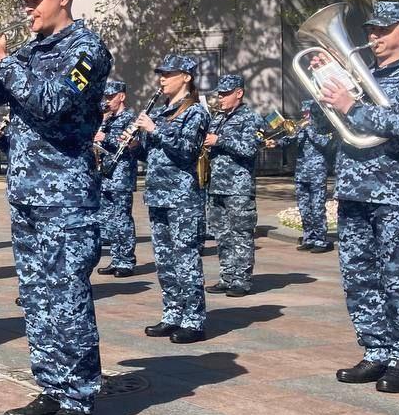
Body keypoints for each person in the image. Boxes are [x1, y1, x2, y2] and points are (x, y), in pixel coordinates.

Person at [0, 0, 112, 415]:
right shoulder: (30, 50)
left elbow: (51, 102)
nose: (26, 7)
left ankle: (79, 397)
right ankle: (51, 383)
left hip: (66, 194)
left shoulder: (87, 49)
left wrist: (5, 61)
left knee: (67, 295)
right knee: (36, 294)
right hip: (28, 192)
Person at [318, 0, 399, 394]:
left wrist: (352, 104)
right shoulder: (362, 75)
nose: (373, 36)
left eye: (383, 30)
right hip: (355, 191)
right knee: (360, 278)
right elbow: (329, 129)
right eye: (371, 29)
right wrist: (327, 91)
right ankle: (375, 351)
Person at [134, 54, 210, 344]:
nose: (162, 79)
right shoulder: (164, 111)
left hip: (182, 198)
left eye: (169, 74)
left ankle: (194, 320)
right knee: (164, 259)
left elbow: (187, 150)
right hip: (158, 195)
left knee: (185, 258)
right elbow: (153, 154)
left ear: (186, 77)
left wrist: (155, 129)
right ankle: (173, 314)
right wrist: (135, 144)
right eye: (161, 74)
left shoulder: (195, 112)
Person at [204, 74, 260, 297]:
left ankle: (241, 280)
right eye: (220, 93)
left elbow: (250, 149)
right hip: (217, 184)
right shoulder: (218, 118)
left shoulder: (250, 118)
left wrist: (220, 141)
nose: (221, 98)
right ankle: (227, 276)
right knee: (222, 234)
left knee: (241, 234)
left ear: (239, 93)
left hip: (238, 187)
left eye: (226, 94)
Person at [270, 101, 336, 252]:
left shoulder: (323, 128)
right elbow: (289, 139)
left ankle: (321, 241)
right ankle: (309, 237)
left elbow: (325, 144)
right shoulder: (299, 128)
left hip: (317, 174)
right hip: (301, 174)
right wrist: (277, 142)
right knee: (304, 209)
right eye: (303, 113)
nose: (304, 116)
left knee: (317, 209)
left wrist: (309, 130)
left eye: (307, 113)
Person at [95, 80, 137, 277]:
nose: (108, 101)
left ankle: (126, 261)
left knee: (122, 219)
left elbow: (127, 143)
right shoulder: (107, 119)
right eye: (107, 97)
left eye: (112, 97)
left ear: (122, 96)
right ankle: (116, 257)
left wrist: (105, 138)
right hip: (106, 174)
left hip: (121, 175)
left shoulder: (130, 119)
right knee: (108, 220)